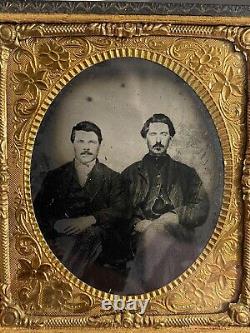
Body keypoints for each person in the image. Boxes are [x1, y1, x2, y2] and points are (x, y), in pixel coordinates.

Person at [34, 121, 129, 292]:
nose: (86, 147)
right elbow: (39, 210)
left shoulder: (113, 178)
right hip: (61, 236)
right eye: (81, 141)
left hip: (102, 244)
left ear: (99, 145)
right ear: (73, 143)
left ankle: (63, 288)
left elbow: (121, 210)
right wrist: (56, 223)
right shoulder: (54, 177)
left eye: (92, 142)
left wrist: (90, 220)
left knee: (92, 235)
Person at [122, 113, 209, 294]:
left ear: (170, 138)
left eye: (163, 134)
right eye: (153, 134)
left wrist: (176, 215)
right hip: (138, 233)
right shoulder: (130, 173)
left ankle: (134, 294)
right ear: (145, 136)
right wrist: (135, 222)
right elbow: (120, 207)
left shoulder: (186, 173)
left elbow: (202, 206)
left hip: (177, 232)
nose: (158, 140)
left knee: (156, 233)